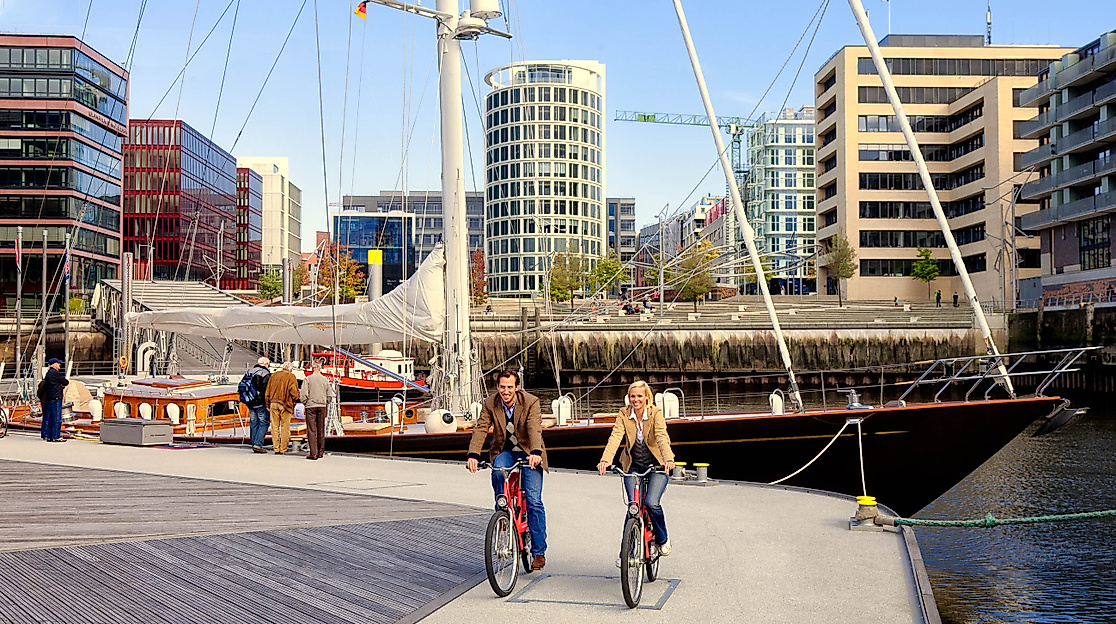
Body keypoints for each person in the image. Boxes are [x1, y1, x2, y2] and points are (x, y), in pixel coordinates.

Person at [467, 370, 548, 571]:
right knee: (497, 470)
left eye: (510, 387)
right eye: (502, 387)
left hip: (530, 451)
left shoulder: (531, 402)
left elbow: (533, 428)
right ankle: (502, 509)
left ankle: (538, 552)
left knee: (533, 499)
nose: (506, 391)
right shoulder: (489, 403)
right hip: (505, 451)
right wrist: (473, 455)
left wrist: (536, 452)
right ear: (498, 387)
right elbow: (481, 429)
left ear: (516, 387)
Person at [597, 380, 676, 566]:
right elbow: (615, 436)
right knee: (634, 506)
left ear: (647, 397)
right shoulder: (624, 414)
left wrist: (668, 459)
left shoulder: (655, 413)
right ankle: (627, 554)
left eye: (639, 396)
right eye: (632, 396)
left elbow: (661, 437)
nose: (636, 400)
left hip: (657, 465)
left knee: (651, 502)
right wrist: (605, 460)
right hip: (633, 466)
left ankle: (662, 539)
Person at [300, 358, 333, 460]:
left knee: (311, 429)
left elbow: (304, 394)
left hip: (311, 405)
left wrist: (305, 402)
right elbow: (330, 395)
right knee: (321, 429)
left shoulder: (308, 379)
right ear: (320, 368)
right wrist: (325, 402)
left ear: (313, 368)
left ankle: (313, 452)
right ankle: (320, 452)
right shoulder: (325, 380)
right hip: (322, 405)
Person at [265, 361, 300, 454]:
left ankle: (276, 448)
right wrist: (296, 398)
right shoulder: (291, 376)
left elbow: (267, 390)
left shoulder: (274, 375)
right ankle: (283, 448)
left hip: (273, 403)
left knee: (274, 426)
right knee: (285, 427)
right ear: (290, 369)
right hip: (285, 404)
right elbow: (294, 392)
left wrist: (268, 404)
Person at [239, 357, 271, 454]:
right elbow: (266, 389)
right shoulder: (265, 373)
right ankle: (258, 444)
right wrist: (267, 403)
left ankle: (254, 442)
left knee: (254, 422)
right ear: (265, 364)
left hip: (249, 401)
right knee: (264, 422)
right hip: (259, 402)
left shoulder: (250, 371)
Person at [39, 358, 69, 442]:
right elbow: (66, 382)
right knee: (57, 418)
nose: (59, 364)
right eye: (58, 363)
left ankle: (49, 435)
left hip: (50, 397)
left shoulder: (48, 374)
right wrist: (61, 385)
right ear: (53, 364)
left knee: (50, 417)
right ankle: (56, 436)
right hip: (56, 397)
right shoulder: (55, 373)